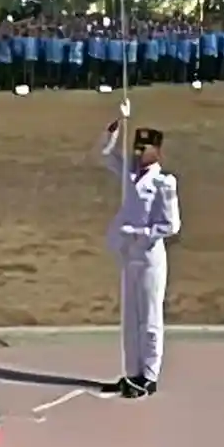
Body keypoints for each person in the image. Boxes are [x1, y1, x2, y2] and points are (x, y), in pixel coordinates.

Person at [97, 101, 181, 399]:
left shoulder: (163, 183)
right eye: (136, 148)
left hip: (149, 256)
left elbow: (171, 225)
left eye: (144, 149)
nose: (138, 153)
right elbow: (105, 155)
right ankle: (132, 372)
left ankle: (149, 375)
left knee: (149, 317)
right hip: (128, 255)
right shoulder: (129, 176)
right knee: (130, 318)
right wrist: (115, 126)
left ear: (157, 151)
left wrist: (139, 234)